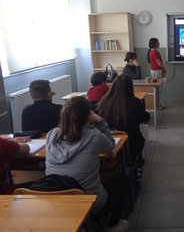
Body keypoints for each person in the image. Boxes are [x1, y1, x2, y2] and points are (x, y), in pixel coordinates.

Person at [45, 96, 129, 232]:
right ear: (88, 116)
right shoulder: (93, 136)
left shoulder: (52, 134)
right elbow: (110, 145)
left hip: (56, 200)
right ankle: (112, 225)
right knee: (121, 179)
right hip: (89, 203)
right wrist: (101, 122)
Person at [97, 75, 150, 177]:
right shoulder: (135, 102)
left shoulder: (104, 100)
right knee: (139, 140)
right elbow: (144, 118)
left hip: (110, 140)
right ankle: (136, 162)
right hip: (132, 142)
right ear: (130, 87)